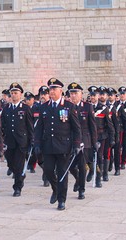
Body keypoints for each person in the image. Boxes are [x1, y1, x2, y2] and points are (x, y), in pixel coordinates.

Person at [34, 78, 82, 210]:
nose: (52, 91)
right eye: (50, 89)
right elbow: (39, 128)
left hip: (64, 146)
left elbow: (76, 128)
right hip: (48, 146)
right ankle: (55, 189)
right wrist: (37, 143)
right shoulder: (44, 107)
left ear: (61, 91)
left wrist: (76, 144)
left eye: (54, 89)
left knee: (62, 173)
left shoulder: (69, 106)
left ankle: (62, 200)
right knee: (48, 170)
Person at [1, 83, 34, 197]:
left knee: (19, 165)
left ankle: (17, 187)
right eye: (12, 93)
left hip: (21, 142)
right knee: (11, 163)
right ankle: (20, 175)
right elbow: (3, 126)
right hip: (9, 141)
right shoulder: (6, 109)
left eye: (16, 93)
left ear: (20, 94)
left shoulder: (25, 108)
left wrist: (31, 141)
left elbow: (30, 126)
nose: (14, 95)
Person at [68, 82, 97, 199]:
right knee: (70, 166)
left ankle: (81, 190)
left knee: (81, 165)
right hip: (70, 140)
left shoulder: (87, 107)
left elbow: (92, 126)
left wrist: (94, 142)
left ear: (81, 94)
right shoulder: (67, 106)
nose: (73, 95)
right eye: (71, 93)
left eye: (76, 93)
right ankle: (78, 179)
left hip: (84, 141)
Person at [87, 86, 115, 188]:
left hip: (101, 136)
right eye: (91, 95)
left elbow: (110, 125)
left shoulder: (104, 109)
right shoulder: (86, 107)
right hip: (89, 137)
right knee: (88, 157)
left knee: (99, 157)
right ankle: (91, 170)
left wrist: (112, 138)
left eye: (94, 95)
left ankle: (98, 178)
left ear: (98, 96)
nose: (93, 97)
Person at [99, 87, 120, 181]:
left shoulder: (111, 108)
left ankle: (107, 172)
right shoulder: (95, 107)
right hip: (98, 134)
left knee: (108, 154)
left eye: (103, 94)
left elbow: (115, 124)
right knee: (100, 155)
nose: (101, 96)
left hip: (108, 134)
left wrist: (115, 137)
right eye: (100, 94)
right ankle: (101, 171)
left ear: (107, 96)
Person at [107, 87, 126, 176]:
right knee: (108, 151)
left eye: (111, 95)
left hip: (117, 131)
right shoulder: (105, 106)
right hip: (108, 132)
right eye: (108, 95)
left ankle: (117, 168)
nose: (110, 97)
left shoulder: (119, 107)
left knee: (116, 151)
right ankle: (109, 164)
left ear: (115, 96)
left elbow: (125, 120)